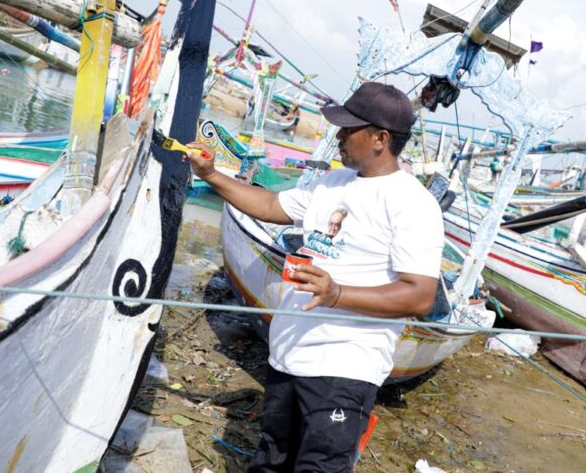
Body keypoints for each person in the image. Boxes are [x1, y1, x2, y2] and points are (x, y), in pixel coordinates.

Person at [186, 81, 444, 472]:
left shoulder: (413, 204)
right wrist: (211, 175)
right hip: (289, 357)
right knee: (271, 458)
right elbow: (272, 204)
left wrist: (337, 293)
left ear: (380, 138)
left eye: (349, 129)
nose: (339, 135)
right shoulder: (332, 184)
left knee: (320, 466)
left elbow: (419, 295)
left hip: (343, 369)